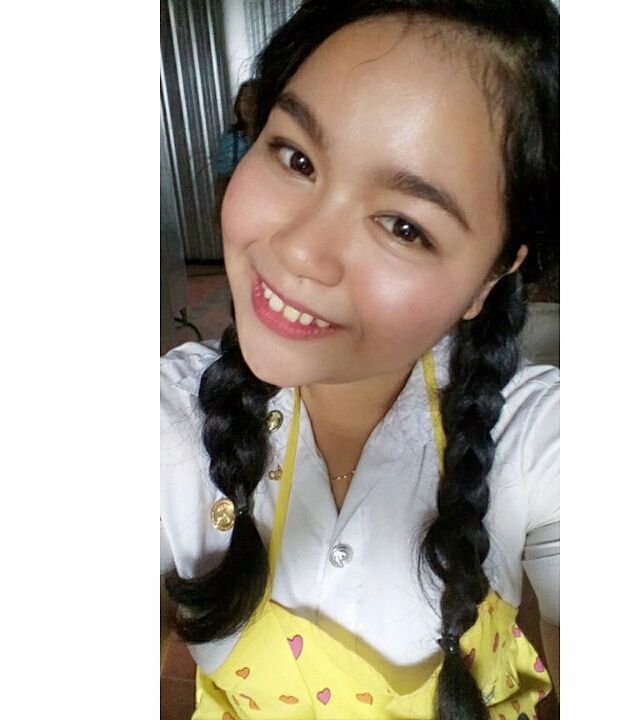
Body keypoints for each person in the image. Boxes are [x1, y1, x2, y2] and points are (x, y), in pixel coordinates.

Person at [161, 1, 559, 719]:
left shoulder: (540, 437)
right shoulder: (169, 417)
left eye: (404, 226)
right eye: (296, 157)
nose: (298, 250)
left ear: (493, 275)